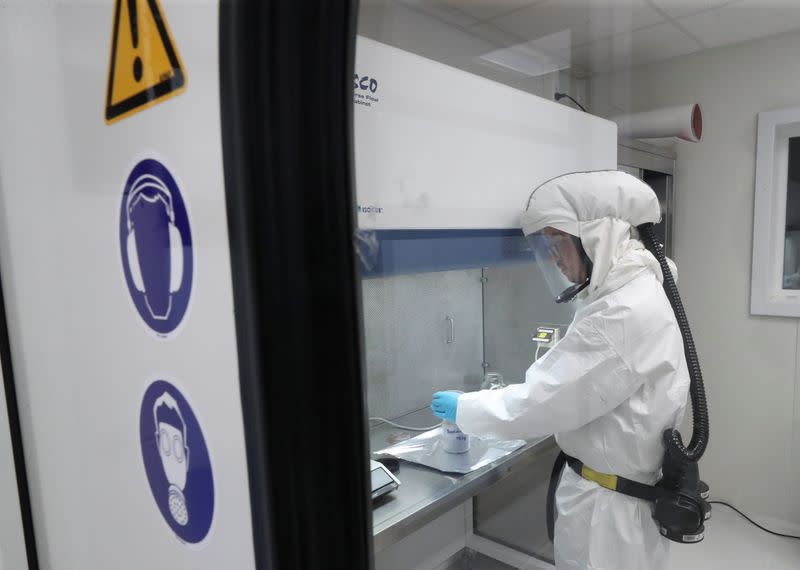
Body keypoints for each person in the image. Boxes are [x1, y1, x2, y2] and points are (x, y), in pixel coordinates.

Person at [431, 170, 690, 570]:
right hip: (623, 497)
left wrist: (464, 408)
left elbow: (540, 403)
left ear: (595, 238)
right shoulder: (633, 288)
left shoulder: (622, 311)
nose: (553, 258)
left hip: (607, 517)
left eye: (558, 244)